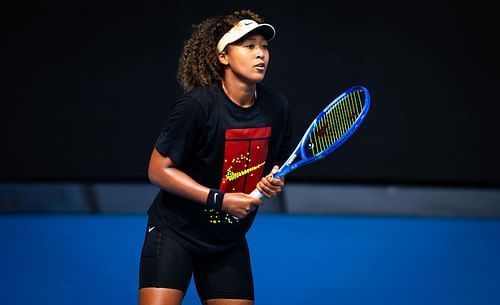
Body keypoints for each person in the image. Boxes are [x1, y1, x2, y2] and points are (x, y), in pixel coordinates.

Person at [138, 9, 292, 305]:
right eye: (249, 46)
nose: (260, 54)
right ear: (223, 56)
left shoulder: (277, 107)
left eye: (264, 46)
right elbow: (158, 171)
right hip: (175, 232)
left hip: (227, 240)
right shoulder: (196, 106)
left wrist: (274, 179)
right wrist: (221, 200)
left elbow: (276, 163)